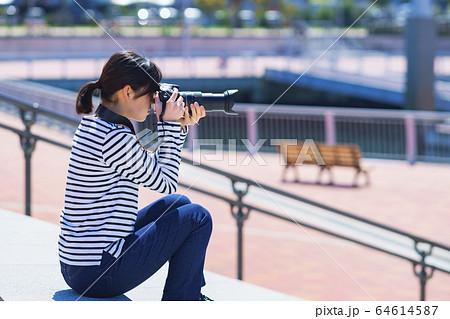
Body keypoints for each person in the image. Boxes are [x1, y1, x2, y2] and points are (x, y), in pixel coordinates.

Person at [58, 50, 213, 301]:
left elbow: (148, 168)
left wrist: (178, 126)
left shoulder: (94, 125)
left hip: (78, 265)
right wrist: (170, 125)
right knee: (197, 216)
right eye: (151, 95)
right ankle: (183, 302)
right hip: (97, 273)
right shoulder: (114, 138)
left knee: (179, 205)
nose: (154, 103)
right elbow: (166, 181)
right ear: (128, 92)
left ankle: (189, 292)